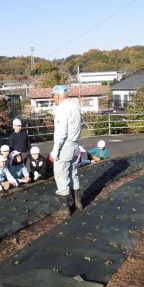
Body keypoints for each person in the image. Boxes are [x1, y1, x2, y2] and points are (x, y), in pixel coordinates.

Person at [50, 84, 83, 215]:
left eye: (53, 96)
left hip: (65, 146)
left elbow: (61, 133)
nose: (53, 99)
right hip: (75, 145)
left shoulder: (62, 108)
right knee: (73, 174)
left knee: (61, 175)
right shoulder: (75, 105)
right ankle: (78, 203)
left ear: (58, 96)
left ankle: (65, 209)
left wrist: (55, 151)